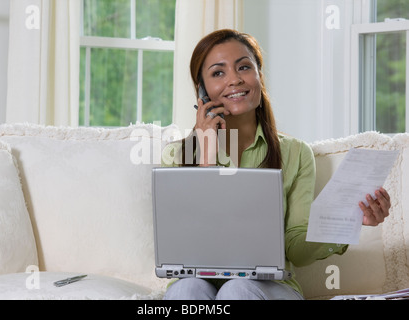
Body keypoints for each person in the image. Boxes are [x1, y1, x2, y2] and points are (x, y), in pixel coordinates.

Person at [161, 29, 391, 300]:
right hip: (197, 281)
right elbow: (184, 244)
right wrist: (206, 158)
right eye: (218, 73)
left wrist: (350, 222)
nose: (234, 79)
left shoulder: (295, 153)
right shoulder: (175, 156)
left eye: (244, 67)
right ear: (202, 90)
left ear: (259, 76)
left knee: (237, 289)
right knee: (187, 288)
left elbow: (295, 248)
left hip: (266, 288)